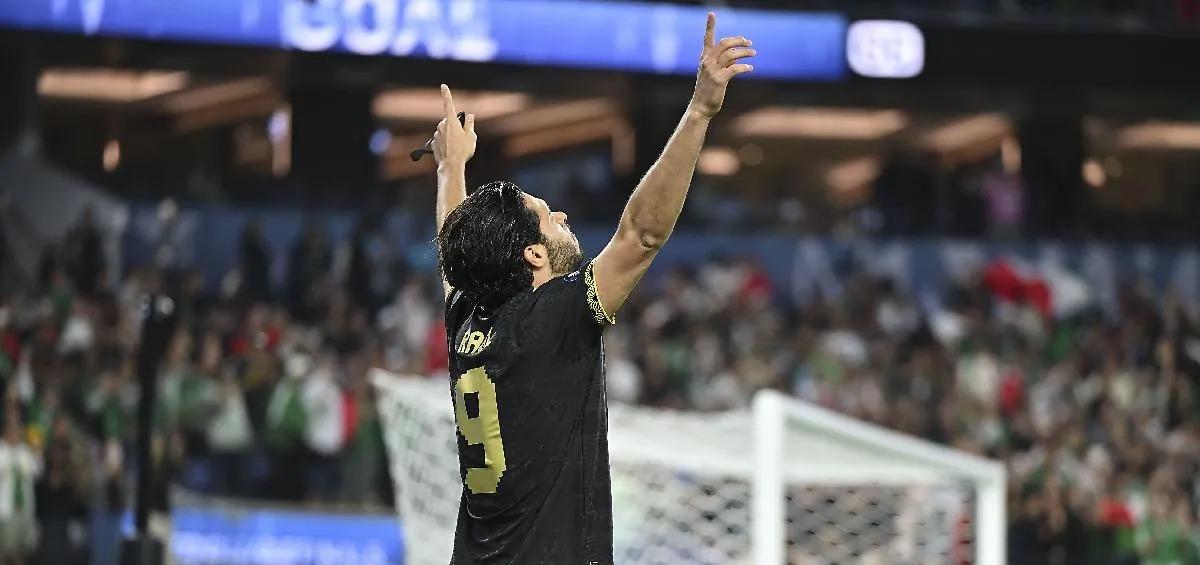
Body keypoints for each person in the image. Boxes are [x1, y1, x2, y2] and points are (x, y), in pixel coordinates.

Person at [430, 12, 754, 564]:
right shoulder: (552, 318)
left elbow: (454, 254)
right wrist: (700, 109)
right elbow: (641, 235)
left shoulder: (469, 319)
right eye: (546, 216)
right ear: (534, 255)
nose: (560, 215)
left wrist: (451, 168)